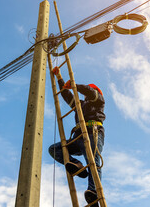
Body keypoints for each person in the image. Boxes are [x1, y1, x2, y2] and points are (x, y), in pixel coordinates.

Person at [48, 66, 106, 207]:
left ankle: (93, 192)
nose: (85, 94)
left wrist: (76, 86)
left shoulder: (98, 101)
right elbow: (68, 96)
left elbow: (90, 91)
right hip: (78, 136)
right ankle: (77, 165)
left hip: (93, 132)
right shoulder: (81, 105)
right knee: (55, 149)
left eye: (89, 91)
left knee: (93, 160)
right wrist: (60, 78)